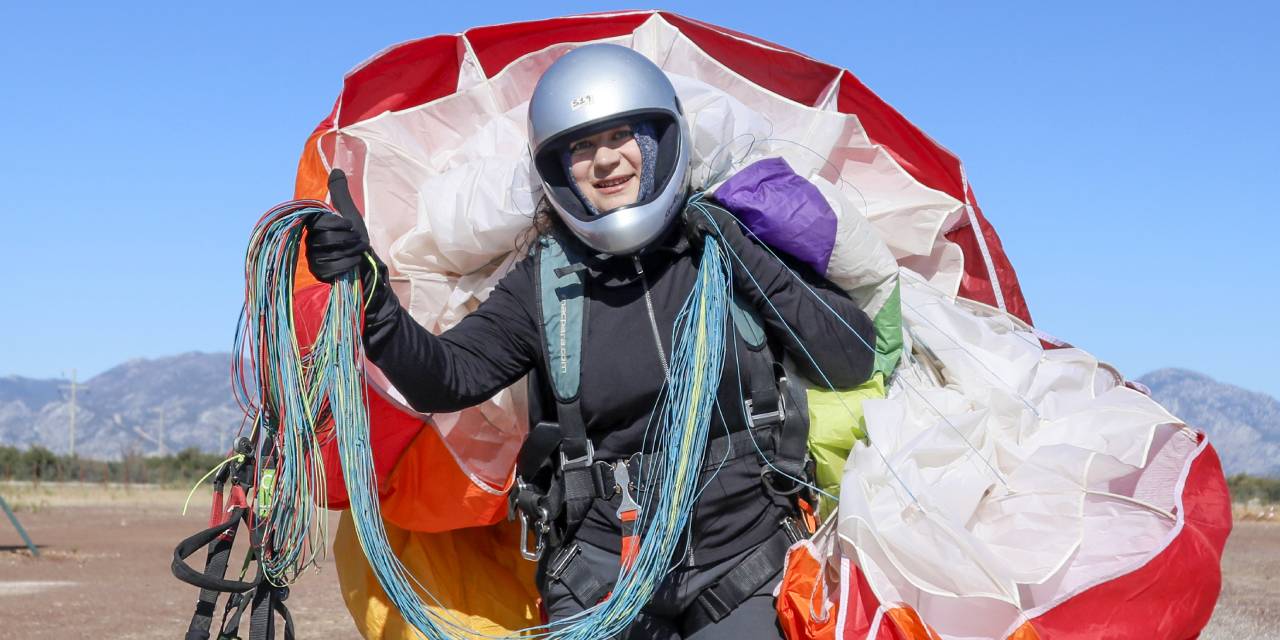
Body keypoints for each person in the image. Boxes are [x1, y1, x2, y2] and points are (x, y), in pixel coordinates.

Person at [304, 44, 876, 640]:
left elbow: (849, 355)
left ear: (661, 142)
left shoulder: (725, 249)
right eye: (579, 148)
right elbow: (449, 376)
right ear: (557, 171)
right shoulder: (547, 283)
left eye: (622, 136)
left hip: (746, 559)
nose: (604, 162)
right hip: (605, 571)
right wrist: (373, 300)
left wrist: (747, 255)